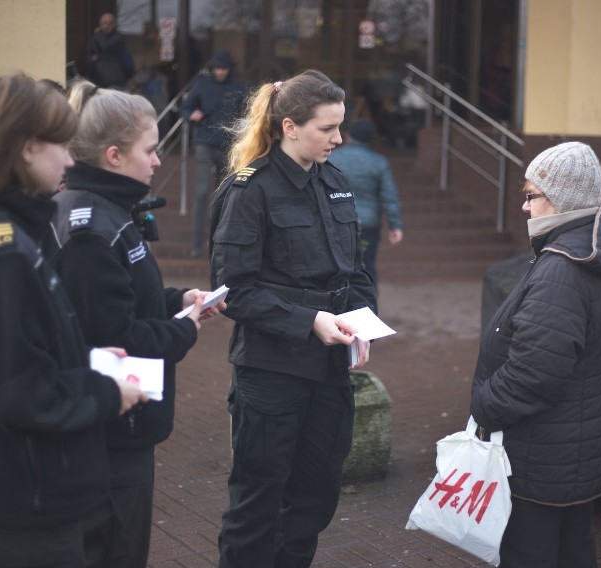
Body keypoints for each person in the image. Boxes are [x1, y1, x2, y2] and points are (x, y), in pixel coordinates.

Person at [0, 73, 147, 567]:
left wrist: (87, 359)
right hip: (27, 490)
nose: (70, 159)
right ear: (28, 148)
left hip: (15, 484)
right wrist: (110, 391)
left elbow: (11, 352)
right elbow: (26, 393)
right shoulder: (4, 251)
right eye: (60, 145)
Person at [51, 79, 224, 568]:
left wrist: (175, 301)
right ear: (112, 155)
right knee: (115, 551)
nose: (157, 160)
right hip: (110, 430)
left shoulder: (108, 212)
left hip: (119, 425)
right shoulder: (91, 227)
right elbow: (114, 338)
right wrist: (185, 328)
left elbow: (121, 301)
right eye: (149, 150)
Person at [209, 69, 377, 568]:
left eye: (340, 126)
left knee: (315, 498)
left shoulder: (335, 182)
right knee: (257, 504)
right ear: (289, 127)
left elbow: (355, 270)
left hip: (327, 372)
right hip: (271, 373)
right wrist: (310, 320)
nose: (338, 138)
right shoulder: (248, 190)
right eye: (327, 128)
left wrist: (362, 321)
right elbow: (233, 292)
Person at [470, 142, 601, 568]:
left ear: (562, 201)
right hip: (576, 453)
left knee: (531, 553)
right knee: (573, 548)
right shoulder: (595, 252)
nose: (524, 207)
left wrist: (483, 405)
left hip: (544, 458)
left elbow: (532, 376)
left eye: (531, 195)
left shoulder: (564, 268)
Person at [181, 49, 245, 258]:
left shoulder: (237, 88)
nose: (220, 72)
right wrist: (192, 115)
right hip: (204, 142)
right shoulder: (201, 85)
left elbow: (246, 113)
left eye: (223, 69)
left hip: (227, 144)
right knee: (201, 192)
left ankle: (218, 239)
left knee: (224, 193)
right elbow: (186, 109)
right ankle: (196, 242)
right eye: (217, 68)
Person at [332, 117, 403, 287]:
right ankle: (368, 305)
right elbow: (389, 195)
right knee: (366, 265)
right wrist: (395, 225)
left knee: (337, 264)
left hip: (338, 221)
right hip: (368, 225)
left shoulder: (333, 157)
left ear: (350, 136)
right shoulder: (379, 162)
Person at [85, 12, 134, 90]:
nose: (107, 26)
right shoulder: (93, 41)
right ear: (100, 24)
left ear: (114, 25)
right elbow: (87, 60)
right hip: (97, 83)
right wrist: (92, 61)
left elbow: (105, 46)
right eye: (104, 23)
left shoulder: (118, 38)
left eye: (110, 23)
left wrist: (98, 34)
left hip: (116, 83)